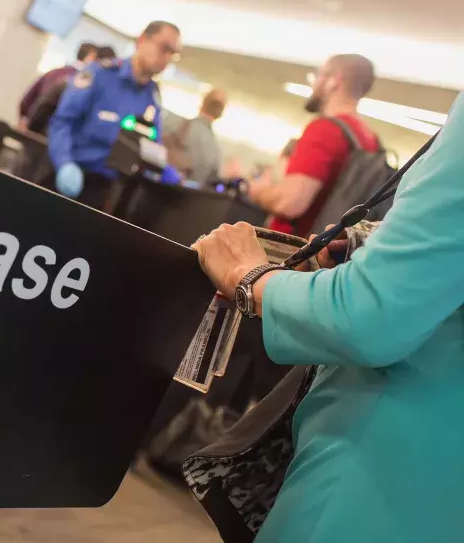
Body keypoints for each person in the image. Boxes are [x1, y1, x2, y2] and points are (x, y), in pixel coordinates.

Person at [191, 94, 464, 542]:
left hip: (385, 472)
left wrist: (249, 276)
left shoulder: (324, 132)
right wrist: (374, 248)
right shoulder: (366, 136)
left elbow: (372, 315)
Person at [46, 21, 182, 209]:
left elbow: (150, 145)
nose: (166, 57)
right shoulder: (100, 74)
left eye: (173, 53)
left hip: (103, 192)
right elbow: (63, 122)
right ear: (142, 40)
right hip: (65, 177)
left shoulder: (152, 99)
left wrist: (164, 169)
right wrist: (64, 163)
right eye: (164, 48)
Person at [247, 54, 379, 236]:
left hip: (291, 251)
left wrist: (258, 191)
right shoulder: (368, 138)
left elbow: (289, 203)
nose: (314, 84)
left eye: (318, 76)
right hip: (325, 252)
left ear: (334, 81)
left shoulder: (326, 129)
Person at [19, 43, 98, 129]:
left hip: (35, 129)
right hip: (54, 132)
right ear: (90, 57)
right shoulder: (83, 83)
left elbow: (27, 100)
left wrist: (26, 120)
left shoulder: (54, 73)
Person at [162, 89, 227, 185]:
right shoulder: (216, 152)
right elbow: (212, 183)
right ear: (220, 114)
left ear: (203, 104)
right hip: (186, 197)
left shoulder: (174, 123)